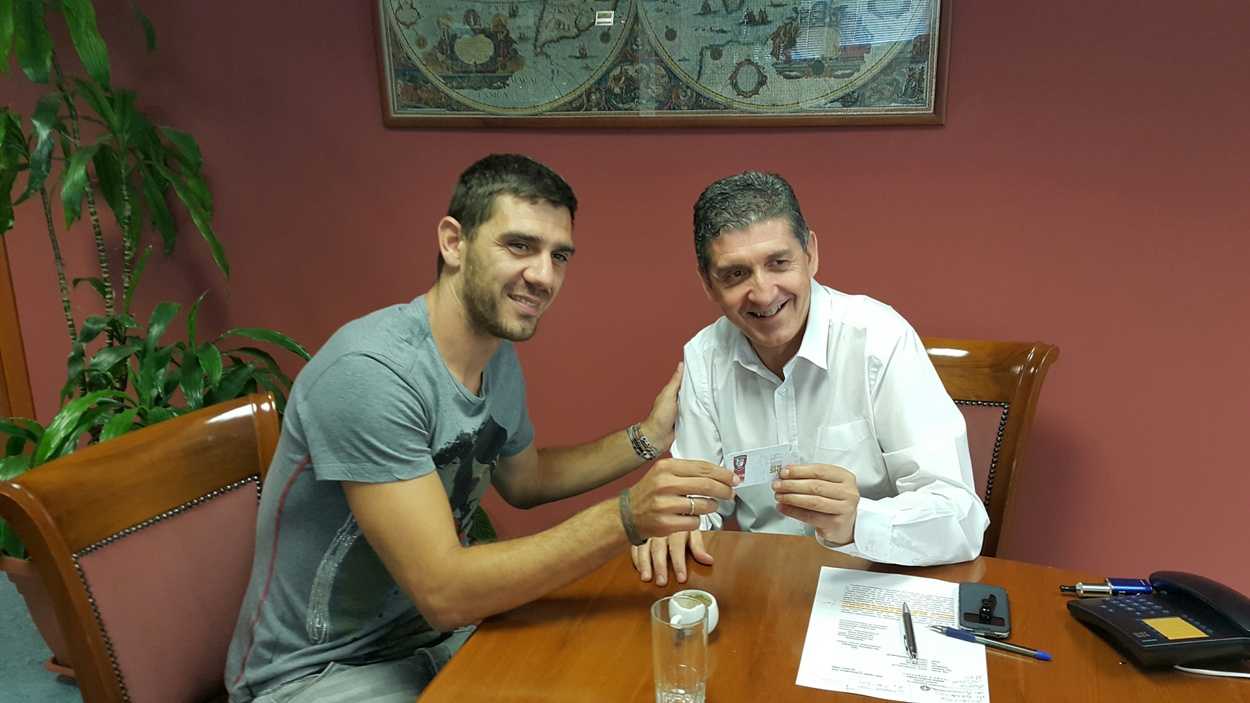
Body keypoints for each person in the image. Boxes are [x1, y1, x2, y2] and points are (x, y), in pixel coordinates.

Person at [226, 154, 737, 703]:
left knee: (615, 671)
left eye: (559, 255)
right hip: (318, 674)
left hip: (439, 641)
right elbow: (444, 591)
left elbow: (526, 480)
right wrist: (627, 517)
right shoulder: (370, 373)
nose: (543, 276)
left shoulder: (495, 356)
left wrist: (647, 438)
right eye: (519, 246)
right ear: (454, 242)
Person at [631, 170, 989, 587]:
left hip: (878, 583)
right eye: (735, 274)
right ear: (708, 285)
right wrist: (678, 523)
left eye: (778, 263)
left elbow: (961, 519)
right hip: (766, 589)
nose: (764, 293)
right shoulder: (704, 357)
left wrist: (857, 521)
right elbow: (697, 499)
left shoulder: (879, 339)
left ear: (811, 255)